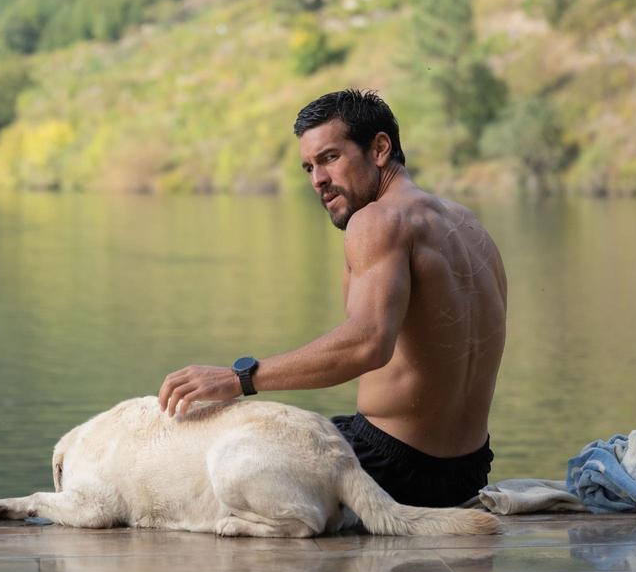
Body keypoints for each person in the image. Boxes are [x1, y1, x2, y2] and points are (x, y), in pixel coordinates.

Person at [158, 89, 507, 508]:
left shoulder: (377, 221)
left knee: (198, 462)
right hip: (469, 471)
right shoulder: (468, 226)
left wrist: (239, 379)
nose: (317, 180)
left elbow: (369, 342)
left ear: (380, 148)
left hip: (387, 466)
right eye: (309, 167)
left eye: (329, 158)